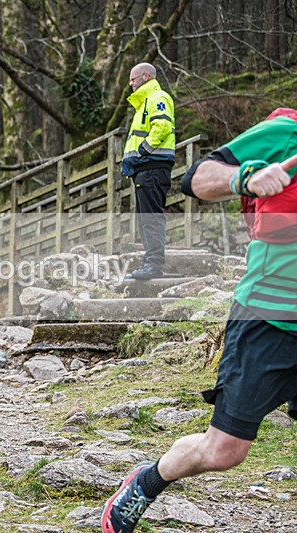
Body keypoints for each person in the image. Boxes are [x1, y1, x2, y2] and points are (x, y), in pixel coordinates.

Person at [102, 108, 297, 533]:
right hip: (269, 319)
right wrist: (244, 179)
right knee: (224, 451)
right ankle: (148, 480)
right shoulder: (287, 133)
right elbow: (195, 178)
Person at [121, 63, 176, 280]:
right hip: (146, 168)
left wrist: (143, 150)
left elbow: (161, 127)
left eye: (133, 79)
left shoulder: (157, 98)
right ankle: (150, 263)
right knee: (146, 218)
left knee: (150, 217)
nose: (130, 84)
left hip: (152, 167)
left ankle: (154, 264)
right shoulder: (145, 101)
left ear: (146, 76)